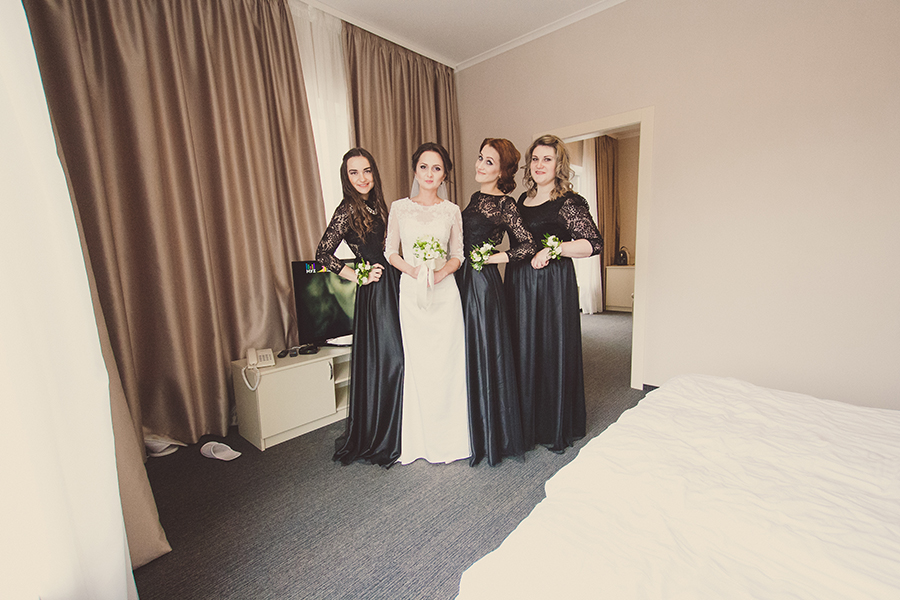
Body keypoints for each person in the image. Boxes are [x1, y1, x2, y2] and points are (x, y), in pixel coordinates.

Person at [506, 134, 602, 453]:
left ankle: (553, 423)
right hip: (520, 283)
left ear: (559, 164)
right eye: (535, 159)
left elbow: (593, 243)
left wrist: (554, 249)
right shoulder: (522, 200)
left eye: (547, 159)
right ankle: (527, 423)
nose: (539, 165)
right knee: (523, 349)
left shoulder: (569, 202)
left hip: (551, 286)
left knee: (550, 349)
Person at [316, 148, 403, 466]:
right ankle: (384, 435)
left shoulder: (375, 204)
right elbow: (322, 254)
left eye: (366, 170)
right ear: (346, 177)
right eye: (354, 172)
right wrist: (358, 275)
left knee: (397, 356)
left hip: (394, 283)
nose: (362, 178)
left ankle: (401, 429)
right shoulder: (347, 208)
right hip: (376, 290)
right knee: (393, 361)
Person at [386, 142, 470, 465]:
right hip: (412, 294)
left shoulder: (451, 211)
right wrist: (414, 271)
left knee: (447, 363)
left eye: (437, 168)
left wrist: (439, 273)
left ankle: (453, 439)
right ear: (415, 170)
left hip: (444, 293)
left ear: (444, 174)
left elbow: (458, 255)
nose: (429, 174)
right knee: (419, 364)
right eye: (424, 167)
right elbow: (390, 251)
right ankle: (420, 441)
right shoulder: (399, 208)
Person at [456, 138, 536, 466]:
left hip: (483, 286)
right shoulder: (476, 198)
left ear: (502, 171)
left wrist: (492, 258)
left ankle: (491, 432)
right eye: (480, 158)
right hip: (463, 279)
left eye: (488, 161)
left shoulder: (505, 204)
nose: (479, 165)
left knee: (485, 351)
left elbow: (527, 245)